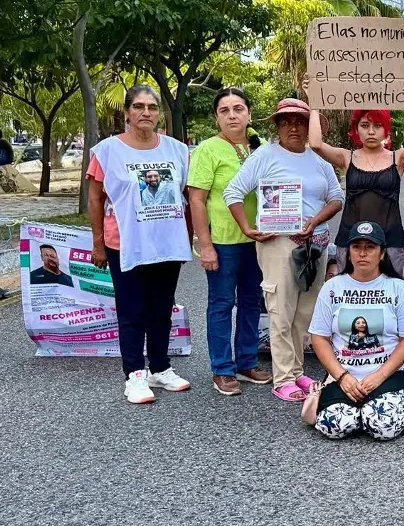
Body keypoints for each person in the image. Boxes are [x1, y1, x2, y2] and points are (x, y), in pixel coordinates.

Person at [225, 98, 344, 402]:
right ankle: (282, 378)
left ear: (309, 127)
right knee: (281, 310)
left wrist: (315, 220)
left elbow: (335, 198)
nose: (294, 127)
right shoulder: (265, 155)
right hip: (279, 242)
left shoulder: (319, 160)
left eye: (301, 121)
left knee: (304, 312)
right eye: (287, 121)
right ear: (277, 126)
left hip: (315, 243)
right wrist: (246, 227)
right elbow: (233, 191)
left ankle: (297, 371)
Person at [86, 85, 193, 404]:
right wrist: (98, 243)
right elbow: (94, 199)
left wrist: (187, 239)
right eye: (139, 106)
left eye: (152, 107)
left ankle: (160, 368)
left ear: (159, 113)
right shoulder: (106, 151)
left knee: (161, 309)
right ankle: (134, 375)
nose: (146, 112)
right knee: (132, 310)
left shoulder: (177, 150)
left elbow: (185, 197)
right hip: (125, 243)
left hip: (166, 243)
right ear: (127, 113)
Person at [187, 87, 271, 397]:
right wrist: (205, 245)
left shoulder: (260, 147)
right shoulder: (208, 150)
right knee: (222, 304)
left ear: (249, 114)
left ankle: (246, 362)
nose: (232, 115)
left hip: (260, 240)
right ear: (216, 118)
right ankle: (222, 368)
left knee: (252, 302)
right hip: (223, 241)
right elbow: (197, 200)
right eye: (225, 110)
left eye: (238, 108)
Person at [306, 76, 404, 277]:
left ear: (386, 130)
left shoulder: (398, 159)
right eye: (365, 125)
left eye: (377, 125)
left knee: (390, 297)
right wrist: (313, 103)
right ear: (356, 129)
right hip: (350, 240)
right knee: (349, 297)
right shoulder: (346, 157)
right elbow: (315, 144)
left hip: (390, 241)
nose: (371, 131)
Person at [306, 221, 404, 441]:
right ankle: (360, 413)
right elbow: (319, 337)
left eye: (370, 247)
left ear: (382, 254)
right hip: (345, 374)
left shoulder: (397, 288)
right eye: (356, 247)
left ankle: (368, 413)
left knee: (383, 426)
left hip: (387, 374)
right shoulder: (333, 287)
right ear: (348, 253)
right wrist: (342, 377)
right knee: (334, 426)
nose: (363, 253)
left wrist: (379, 376)